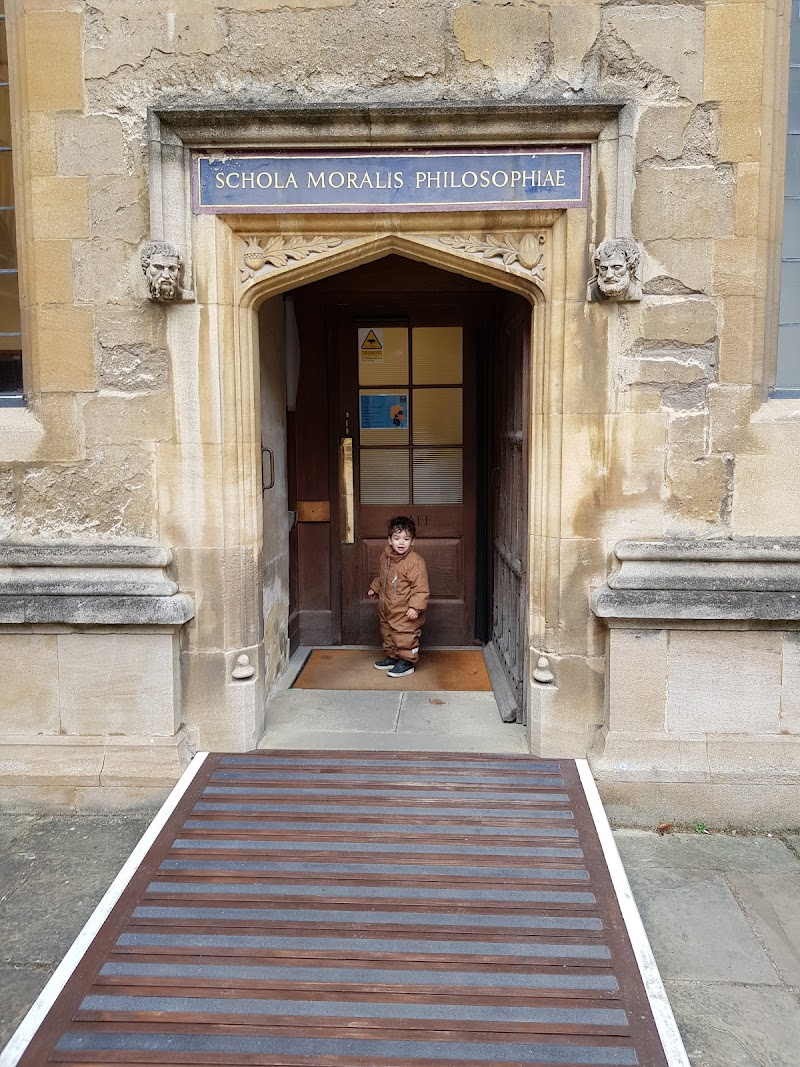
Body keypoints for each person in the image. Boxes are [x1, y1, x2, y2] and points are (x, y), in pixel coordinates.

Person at [367, 515, 430, 678]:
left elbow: (421, 587)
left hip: (405, 610)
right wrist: (375, 588)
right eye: (397, 538)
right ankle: (394, 656)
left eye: (406, 539)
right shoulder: (385, 557)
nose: (401, 543)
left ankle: (407, 661)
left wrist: (415, 607)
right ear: (389, 540)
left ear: (412, 541)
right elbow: (383, 576)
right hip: (387, 607)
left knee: (404, 634)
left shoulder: (414, 562)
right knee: (387, 631)